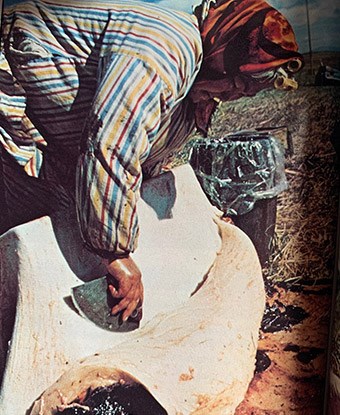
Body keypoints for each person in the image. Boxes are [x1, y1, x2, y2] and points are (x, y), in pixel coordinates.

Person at [0, 0, 303, 322]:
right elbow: (112, 146)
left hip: (58, 142)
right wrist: (115, 255)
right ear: (226, 51)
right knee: (26, 242)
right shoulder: (165, 50)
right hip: (11, 91)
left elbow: (143, 156)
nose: (238, 94)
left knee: (65, 234)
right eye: (243, 82)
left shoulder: (194, 86)